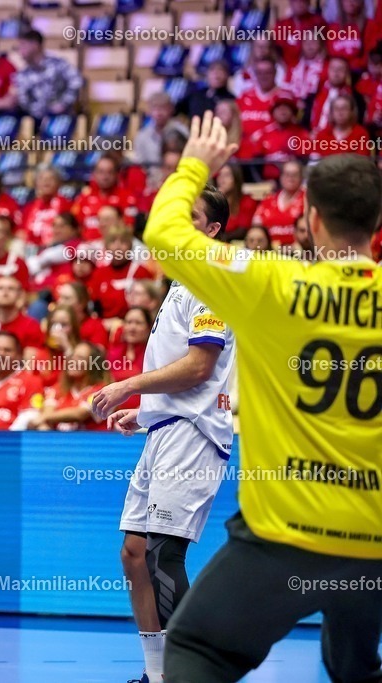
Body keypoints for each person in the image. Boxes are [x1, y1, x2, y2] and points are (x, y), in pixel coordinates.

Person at [140, 114, 382, 683]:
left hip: (284, 536)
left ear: (311, 219)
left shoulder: (271, 282)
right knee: (351, 664)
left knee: (200, 648)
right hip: (374, 538)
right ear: (375, 222)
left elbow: (164, 236)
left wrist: (195, 164)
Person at [91, 183, 236, 683]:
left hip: (194, 436)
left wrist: (128, 387)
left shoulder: (211, 278)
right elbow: (183, 370)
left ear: (212, 230)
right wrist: (148, 410)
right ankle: (158, 676)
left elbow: (199, 367)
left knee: (162, 554)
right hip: (166, 428)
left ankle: (195, 674)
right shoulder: (182, 280)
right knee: (134, 554)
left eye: (189, 215)